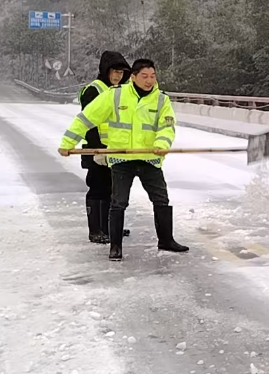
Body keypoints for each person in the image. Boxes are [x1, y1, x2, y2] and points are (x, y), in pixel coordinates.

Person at [59, 59, 189, 261]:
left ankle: (166, 240)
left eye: (152, 76)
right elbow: (86, 118)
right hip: (121, 159)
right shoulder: (115, 95)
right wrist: (68, 143)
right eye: (144, 76)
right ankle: (115, 246)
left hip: (149, 159)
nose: (149, 80)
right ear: (134, 77)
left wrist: (162, 144)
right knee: (118, 202)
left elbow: (167, 126)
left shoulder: (161, 99)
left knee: (161, 199)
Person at [80, 51, 130, 244]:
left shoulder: (121, 91)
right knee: (97, 188)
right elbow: (88, 123)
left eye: (121, 72)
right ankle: (95, 230)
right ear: (106, 70)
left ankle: (110, 227)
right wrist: (97, 150)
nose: (118, 76)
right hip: (97, 150)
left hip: (115, 149)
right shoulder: (94, 90)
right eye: (115, 72)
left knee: (113, 189)